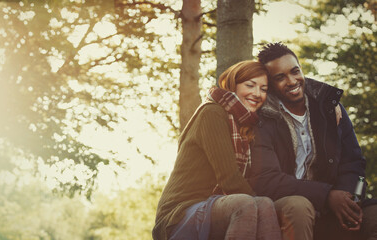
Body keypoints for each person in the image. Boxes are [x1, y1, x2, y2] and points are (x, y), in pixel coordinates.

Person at [247, 42, 377, 240]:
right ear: (270, 84)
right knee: (300, 206)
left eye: (295, 71)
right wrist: (327, 196)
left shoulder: (331, 109)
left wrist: (351, 197)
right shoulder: (263, 119)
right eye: (280, 77)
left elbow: (355, 163)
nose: (291, 81)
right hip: (287, 208)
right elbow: (266, 179)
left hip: (331, 209)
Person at [152, 60, 282, 240]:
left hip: (212, 204)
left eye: (264, 89)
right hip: (179, 213)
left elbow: (292, 88)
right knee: (246, 203)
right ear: (232, 85)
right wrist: (255, 202)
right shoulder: (212, 113)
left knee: (266, 204)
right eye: (250, 85)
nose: (257, 93)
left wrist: (334, 105)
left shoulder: (244, 123)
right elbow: (229, 179)